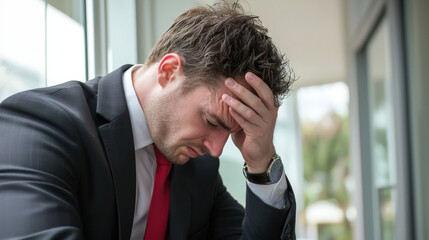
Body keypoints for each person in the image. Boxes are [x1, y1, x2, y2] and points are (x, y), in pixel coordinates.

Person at [0, 2, 296, 239]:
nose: (216, 149)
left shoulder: (200, 172)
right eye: (212, 121)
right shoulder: (40, 125)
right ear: (168, 71)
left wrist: (261, 164)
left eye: (232, 132)